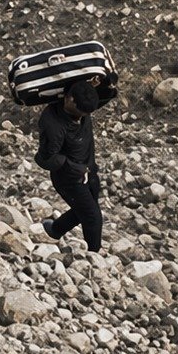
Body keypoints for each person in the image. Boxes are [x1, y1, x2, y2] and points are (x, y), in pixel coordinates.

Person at [36, 80, 103, 253]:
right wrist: (71, 166)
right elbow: (45, 158)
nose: (83, 116)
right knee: (92, 216)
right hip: (68, 179)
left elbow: (105, 95)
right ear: (69, 100)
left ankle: (55, 230)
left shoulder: (82, 102)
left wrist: (107, 83)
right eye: (82, 112)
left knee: (87, 208)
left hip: (89, 168)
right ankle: (94, 256)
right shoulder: (53, 124)